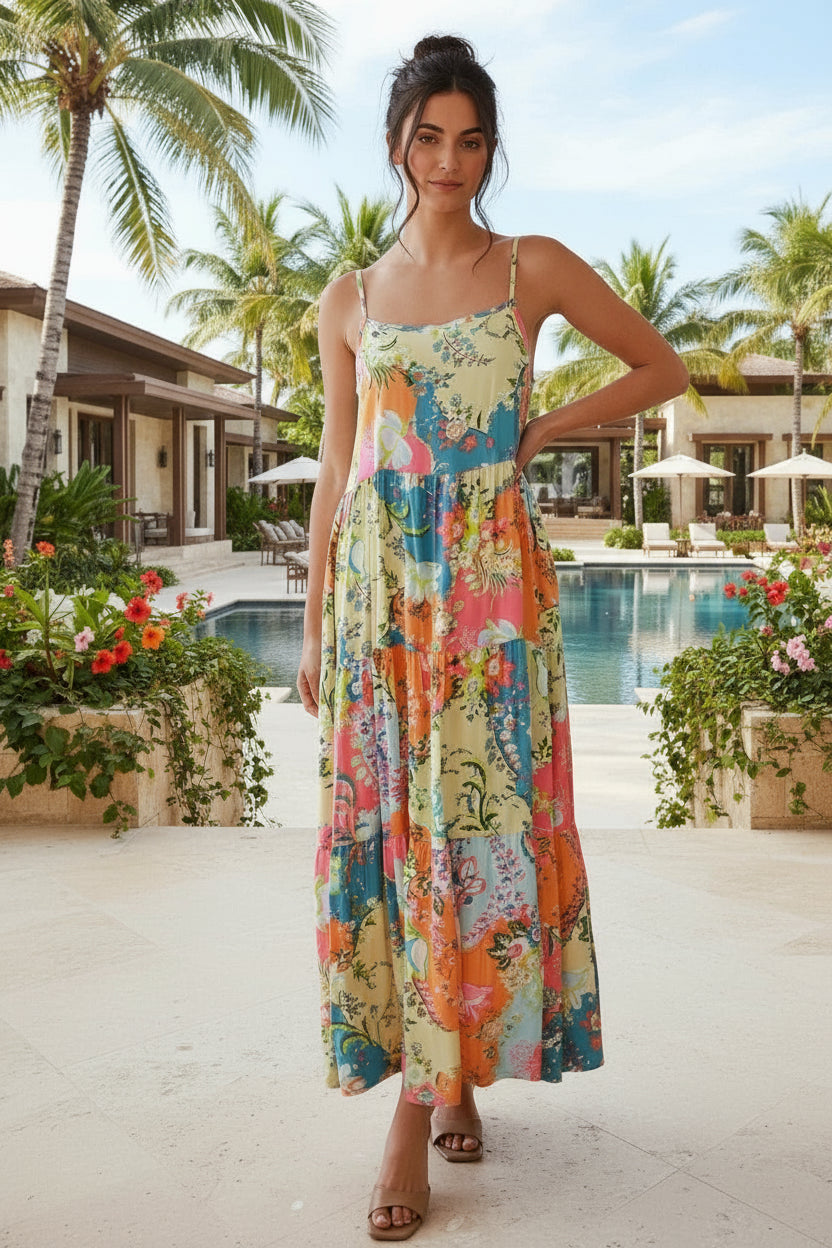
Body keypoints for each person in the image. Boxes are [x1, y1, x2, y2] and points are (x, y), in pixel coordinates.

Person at [297, 33, 688, 1242]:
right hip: (381, 594)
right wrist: (313, 621)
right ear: (397, 143)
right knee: (400, 826)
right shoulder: (348, 297)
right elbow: (339, 464)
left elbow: (658, 365)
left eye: (470, 140)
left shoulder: (533, 266)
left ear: (490, 147)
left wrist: (543, 423)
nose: (449, 162)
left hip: (491, 597)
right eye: (429, 138)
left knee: (476, 822)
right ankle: (425, 1095)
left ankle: (448, 1071)